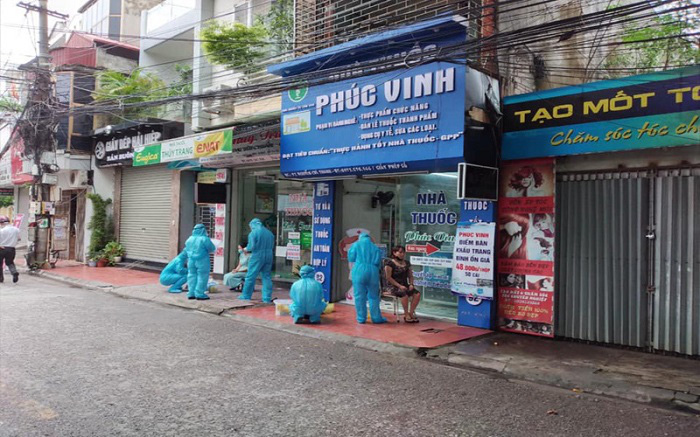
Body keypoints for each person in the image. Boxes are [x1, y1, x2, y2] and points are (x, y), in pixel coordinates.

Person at [348, 232, 387, 324]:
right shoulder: (375, 247)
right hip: (373, 270)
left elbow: (351, 258)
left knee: (359, 296)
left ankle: (361, 318)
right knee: (374, 296)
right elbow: (378, 262)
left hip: (359, 270)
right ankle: (376, 318)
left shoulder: (356, 245)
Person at [239, 218, 275, 302]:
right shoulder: (270, 233)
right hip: (269, 255)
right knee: (266, 276)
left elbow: (251, 247)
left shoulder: (253, 233)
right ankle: (266, 298)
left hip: (257, 255)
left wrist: (244, 249)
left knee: (250, 276)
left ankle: (246, 295)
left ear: (252, 225)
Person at [384, 245, 421, 323]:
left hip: (405, 284)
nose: (402, 254)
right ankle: (406, 314)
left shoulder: (407, 263)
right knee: (404, 294)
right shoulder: (389, 263)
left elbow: (410, 275)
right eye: (400, 252)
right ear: (394, 253)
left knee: (417, 294)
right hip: (393, 285)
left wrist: (411, 284)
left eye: (403, 252)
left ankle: (411, 313)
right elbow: (388, 277)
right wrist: (399, 286)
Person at [184, 224, 216, 300]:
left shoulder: (189, 239)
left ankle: (191, 293)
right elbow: (212, 248)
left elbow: (186, 249)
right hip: (202, 260)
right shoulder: (204, 239)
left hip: (191, 260)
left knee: (191, 275)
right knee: (202, 276)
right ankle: (199, 294)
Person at [0, 215, 20, 283]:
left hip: (2, 248)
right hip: (12, 249)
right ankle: (14, 272)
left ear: (2, 223)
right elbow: (19, 239)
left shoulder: (1, 230)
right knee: (10, 262)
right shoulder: (16, 230)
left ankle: (0, 278)